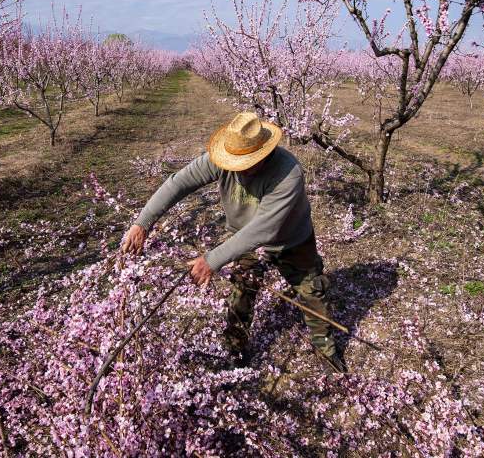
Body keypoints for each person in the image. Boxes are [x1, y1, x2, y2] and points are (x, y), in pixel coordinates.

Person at [121, 111, 347, 373]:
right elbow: (178, 183)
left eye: (246, 163)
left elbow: (265, 229)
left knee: (311, 292)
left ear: (263, 154)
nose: (239, 169)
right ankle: (235, 351)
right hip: (244, 240)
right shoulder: (223, 160)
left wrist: (212, 260)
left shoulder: (288, 172)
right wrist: (143, 222)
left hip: (292, 240)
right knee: (241, 292)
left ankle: (326, 349)